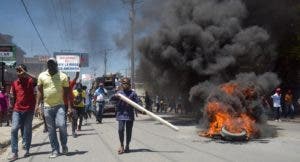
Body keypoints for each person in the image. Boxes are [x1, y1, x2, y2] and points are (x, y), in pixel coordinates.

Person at [36, 58, 69, 158]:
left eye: (52, 64)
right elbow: (40, 92)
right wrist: (37, 105)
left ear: (56, 65)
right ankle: (55, 150)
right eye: (49, 64)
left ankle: (64, 145)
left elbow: (67, 93)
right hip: (47, 107)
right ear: (47, 65)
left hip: (60, 105)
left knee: (62, 125)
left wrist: (69, 106)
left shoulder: (63, 76)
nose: (50, 66)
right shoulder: (42, 76)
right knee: (51, 130)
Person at [7, 65, 37, 161]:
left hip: (29, 109)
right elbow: (13, 97)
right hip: (17, 109)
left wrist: (25, 73)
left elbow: (37, 79)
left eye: (21, 70)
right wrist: (11, 106)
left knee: (27, 129)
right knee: (14, 129)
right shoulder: (14, 83)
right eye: (18, 70)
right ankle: (14, 153)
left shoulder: (30, 81)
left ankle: (27, 149)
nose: (19, 72)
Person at [114, 78, 138, 154]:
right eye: (123, 83)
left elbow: (138, 103)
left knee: (129, 131)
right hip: (121, 115)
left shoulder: (133, 94)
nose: (125, 85)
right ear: (122, 84)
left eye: (126, 83)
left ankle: (127, 145)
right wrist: (115, 96)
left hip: (130, 115)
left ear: (129, 85)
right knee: (120, 130)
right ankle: (121, 145)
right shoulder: (119, 93)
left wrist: (142, 110)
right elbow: (111, 99)